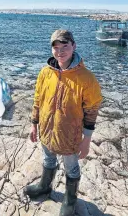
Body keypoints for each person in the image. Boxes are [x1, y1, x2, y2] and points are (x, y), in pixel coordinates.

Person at [23, 30, 102, 216]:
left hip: (70, 135)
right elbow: (37, 99)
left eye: (65, 46)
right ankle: (44, 186)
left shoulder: (86, 78)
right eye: (56, 47)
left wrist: (87, 139)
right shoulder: (45, 72)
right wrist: (34, 124)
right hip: (47, 130)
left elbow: (92, 109)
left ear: (74, 46)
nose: (60, 51)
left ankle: (70, 200)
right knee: (48, 159)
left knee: (71, 168)